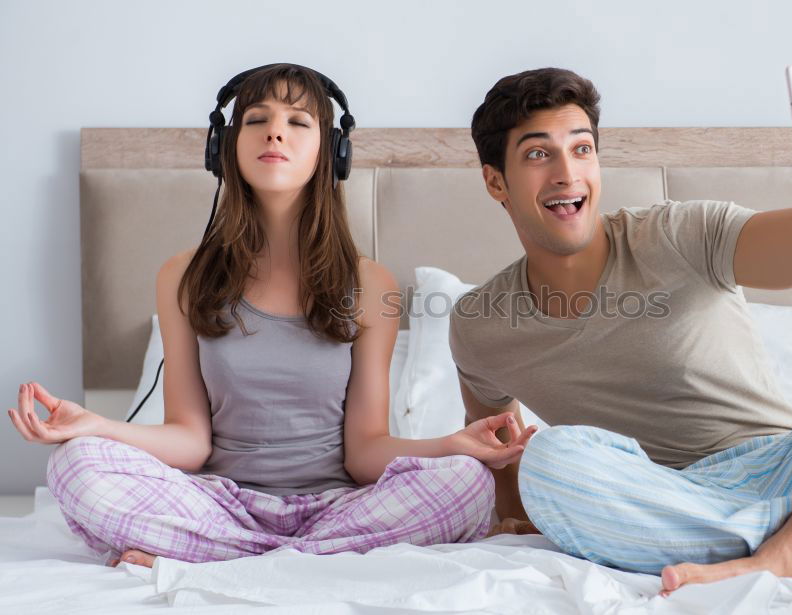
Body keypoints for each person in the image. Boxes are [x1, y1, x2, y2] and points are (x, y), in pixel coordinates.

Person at [449, 49, 792, 596]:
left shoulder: (682, 235)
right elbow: (503, 453)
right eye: (539, 154)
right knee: (551, 460)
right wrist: (519, 512)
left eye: (582, 149)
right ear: (497, 183)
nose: (568, 174)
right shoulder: (482, 324)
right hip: (670, 502)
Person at [8, 63, 534, 568]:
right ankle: (291, 561)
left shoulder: (370, 283)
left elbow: (365, 453)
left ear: (332, 153)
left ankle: (214, 558)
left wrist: (453, 444)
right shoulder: (182, 276)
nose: (274, 134)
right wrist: (95, 425)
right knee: (75, 464)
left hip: (337, 509)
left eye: (297, 122)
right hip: (218, 504)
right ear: (225, 148)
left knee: (464, 480)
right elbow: (189, 441)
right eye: (256, 120)